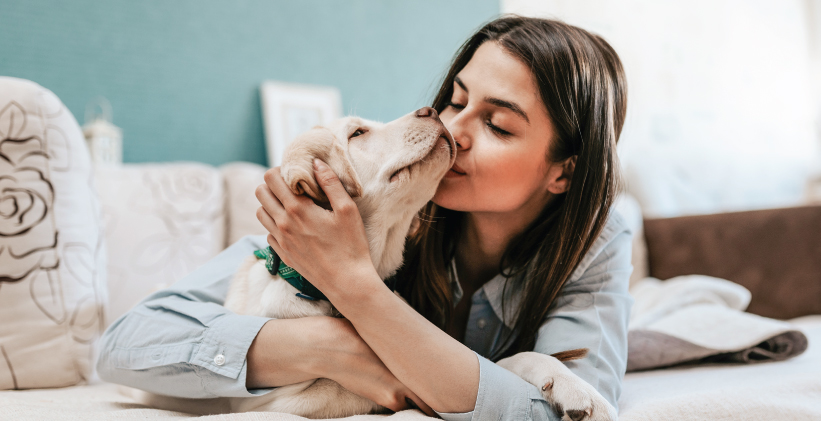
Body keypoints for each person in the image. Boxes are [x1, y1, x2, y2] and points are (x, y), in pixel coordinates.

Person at [97, 15, 633, 421]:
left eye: (496, 124)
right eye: (455, 99)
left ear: (564, 171)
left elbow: (564, 410)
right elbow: (123, 346)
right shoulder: (375, 209)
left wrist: (356, 287)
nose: (454, 129)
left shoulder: (596, 240)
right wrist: (333, 347)